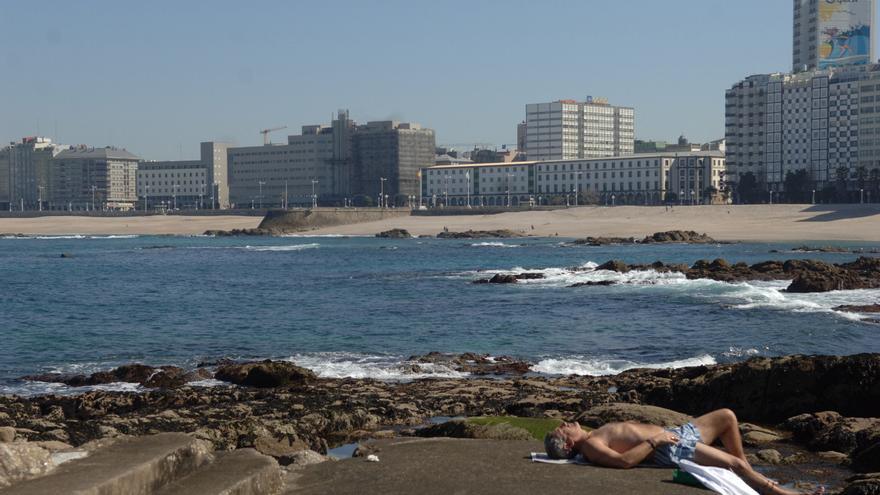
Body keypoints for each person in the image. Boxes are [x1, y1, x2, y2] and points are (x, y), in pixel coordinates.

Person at [544, 408, 823, 495]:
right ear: (569, 445)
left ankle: (751, 477)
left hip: (678, 433)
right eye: (562, 430)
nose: (565, 424)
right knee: (733, 464)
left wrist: (666, 435)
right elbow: (623, 462)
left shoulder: (591, 436)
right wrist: (657, 442)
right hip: (673, 448)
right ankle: (781, 493)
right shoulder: (590, 446)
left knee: (727, 417)